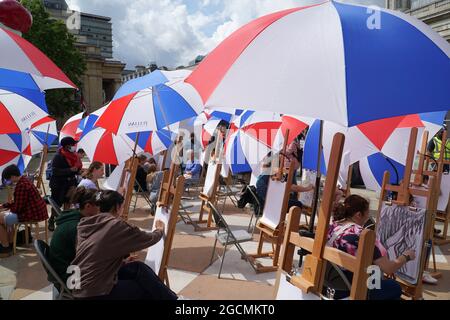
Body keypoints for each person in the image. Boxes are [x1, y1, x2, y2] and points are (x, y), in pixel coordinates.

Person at [71, 190, 177, 300]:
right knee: (144, 289)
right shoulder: (115, 225)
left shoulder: (85, 223)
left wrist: (121, 262)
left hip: (77, 285)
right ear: (117, 207)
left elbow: (92, 255)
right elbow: (147, 239)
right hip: (93, 291)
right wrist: (159, 230)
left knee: (138, 267)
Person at [328, 195, 414, 300]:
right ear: (359, 215)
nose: (368, 217)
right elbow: (388, 268)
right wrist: (406, 256)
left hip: (333, 283)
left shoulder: (332, 226)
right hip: (355, 288)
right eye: (367, 213)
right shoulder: (363, 235)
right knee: (394, 287)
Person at [49, 187, 99, 283]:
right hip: (71, 279)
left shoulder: (75, 217)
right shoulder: (77, 227)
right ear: (88, 206)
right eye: (99, 206)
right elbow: (88, 258)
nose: (102, 209)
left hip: (67, 271)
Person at [0, 165, 48, 257]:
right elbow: (19, 202)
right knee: (4, 217)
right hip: (37, 212)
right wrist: (4, 206)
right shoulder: (25, 181)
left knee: (1, 218)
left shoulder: (21, 185)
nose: (8, 181)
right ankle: (9, 243)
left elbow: (18, 208)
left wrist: (7, 209)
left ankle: (5, 247)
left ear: (13, 176)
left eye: (8, 179)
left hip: (32, 214)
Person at [49, 137, 82, 231]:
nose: (74, 147)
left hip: (70, 183)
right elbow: (55, 171)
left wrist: (79, 171)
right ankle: (52, 219)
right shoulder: (58, 156)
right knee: (57, 204)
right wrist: (69, 170)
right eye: (72, 145)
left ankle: (64, 222)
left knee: (68, 202)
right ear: (67, 146)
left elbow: (76, 168)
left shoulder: (74, 156)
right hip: (58, 184)